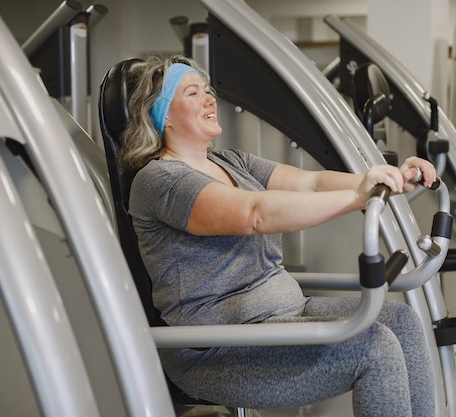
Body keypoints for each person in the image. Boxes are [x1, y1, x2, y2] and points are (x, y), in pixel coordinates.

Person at [121, 54, 437, 417]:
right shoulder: (160, 180)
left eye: (208, 90)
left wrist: (390, 180)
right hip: (216, 348)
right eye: (193, 93)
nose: (210, 99)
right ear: (160, 115)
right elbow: (252, 215)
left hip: (284, 313)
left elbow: (311, 183)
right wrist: (358, 197)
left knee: (402, 322)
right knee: (373, 347)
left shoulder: (230, 161)